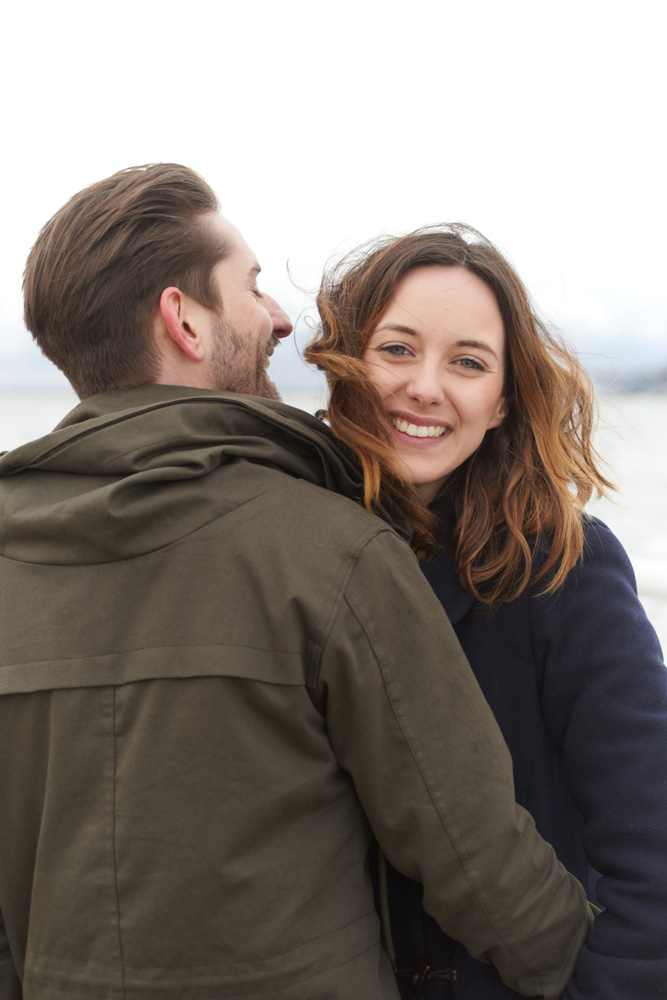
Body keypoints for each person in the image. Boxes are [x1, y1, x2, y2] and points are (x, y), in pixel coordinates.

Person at [0, 167, 594, 1000]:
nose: (282, 318)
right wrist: (587, 970)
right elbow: (477, 860)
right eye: (248, 287)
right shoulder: (328, 550)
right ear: (184, 321)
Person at [305, 223, 667, 999]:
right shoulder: (280, 550)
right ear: (344, 361)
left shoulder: (563, 566)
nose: (425, 388)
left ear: (500, 403)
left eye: (466, 363)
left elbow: (653, 844)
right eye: (396, 349)